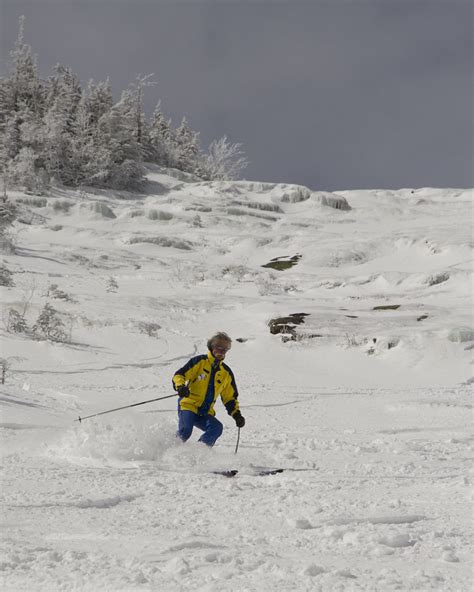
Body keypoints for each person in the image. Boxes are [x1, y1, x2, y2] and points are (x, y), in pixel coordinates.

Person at [172, 332, 245, 447]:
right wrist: (181, 387)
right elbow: (179, 375)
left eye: (225, 349)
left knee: (216, 428)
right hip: (188, 405)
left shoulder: (226, 373)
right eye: (219, 347)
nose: (221, 352)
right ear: (212, 347)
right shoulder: (200, 362)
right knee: (185, 431)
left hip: (204, 412)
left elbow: (230, 398)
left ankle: (198, 453)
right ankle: (166, 449)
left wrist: (237, 415)